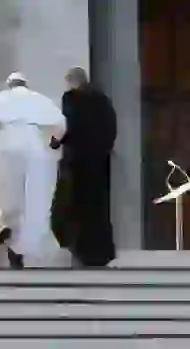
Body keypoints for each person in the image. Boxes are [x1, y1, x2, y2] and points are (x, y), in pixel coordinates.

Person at [0, 72, 66, 269]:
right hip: (35, 150)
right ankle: (21, 246)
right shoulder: (40, 100)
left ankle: (2, 230)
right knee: (31, 201)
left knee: (1, 195)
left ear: (10, 85)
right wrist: (54, 142)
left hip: (5, 147)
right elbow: (60, 123)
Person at [51, 66, 118, 267]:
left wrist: (55, 142)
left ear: (72, 82)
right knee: (98, 210)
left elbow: (67, 126)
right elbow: (111, 129)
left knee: (72, 208)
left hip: (77, 164)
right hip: (99, 163)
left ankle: (78, 251)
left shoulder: (71, 99)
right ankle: (100, 253)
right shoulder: (103, 100)